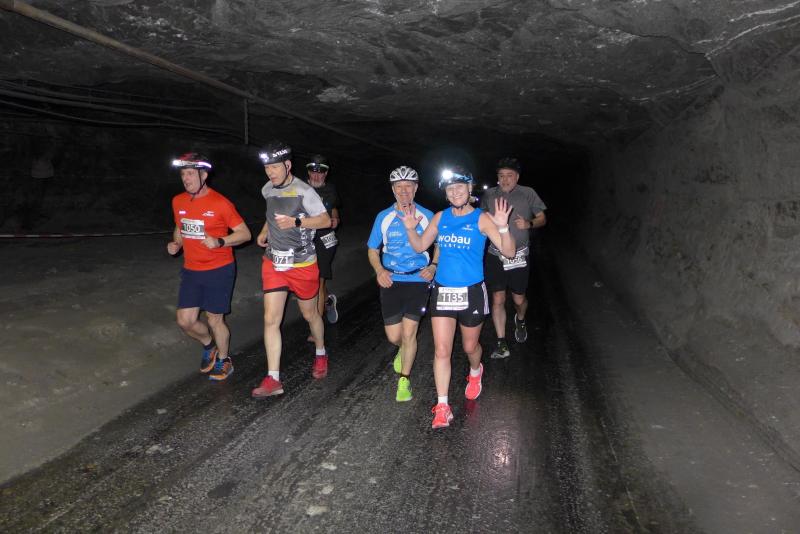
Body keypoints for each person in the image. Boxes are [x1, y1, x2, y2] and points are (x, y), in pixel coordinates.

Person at [400, 168, 515, 428]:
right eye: (450, 189)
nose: (455, 192)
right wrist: (410, 229)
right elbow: (420, 246)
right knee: (442, 350)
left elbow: (508, 252)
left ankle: (475, 371)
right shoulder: (440, 217)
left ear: (469, 188)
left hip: (472, 292)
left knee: (469, 347)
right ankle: (442, 406)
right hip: (443, 291)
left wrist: (503, 226)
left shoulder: (481, 218)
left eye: (459, 187)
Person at [251, 141, 332, 398]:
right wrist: (264, 232)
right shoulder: (267, 189)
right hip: (274, 262)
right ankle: (273, 378)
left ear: (287, 165)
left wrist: (297, 222)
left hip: (302, 264)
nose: (270, 173)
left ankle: (321, 352)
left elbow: (325, 220)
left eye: (275, 167)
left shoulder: (305, 191)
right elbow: (271, 215)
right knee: (270, 319)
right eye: (267, 168)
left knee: (310, 315)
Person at [167, 152, 252, 381]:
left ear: (203, 175)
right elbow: (180, 226)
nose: (186, 179)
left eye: (190, 174)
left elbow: (245, 234)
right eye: (183, 174)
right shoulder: (178, 201)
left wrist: (220, 241)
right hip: (192, 270)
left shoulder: (220, 203)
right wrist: (177, 243)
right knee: (185, 321)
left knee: (215, 319)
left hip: (219, 269)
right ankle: (209, 345)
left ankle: (224, 360)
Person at [367, 166, 439, 402]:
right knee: (394, 337)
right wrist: (379, 271)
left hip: (418, 280)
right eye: (399, 187)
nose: (404, 191)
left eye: (409, 186)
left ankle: (404, 380)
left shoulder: (427, 215)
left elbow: (439, 244)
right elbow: (372, 249)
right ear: (393, 189)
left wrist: (433, 265)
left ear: (416, 188)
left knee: (409, 334)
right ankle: (402, 349)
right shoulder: (384, 217)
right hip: (392, 280)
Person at [481, 157, 547, 358]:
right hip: (496, 255)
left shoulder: (528, 193)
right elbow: (481, 218)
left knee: (519, 299)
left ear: (517, 177)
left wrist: (529, 223)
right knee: (498, 298)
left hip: (519, 256)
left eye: (509, 175)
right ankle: (501, 342)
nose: (505, 179)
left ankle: (520, 318)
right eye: (501, 175)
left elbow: (542, 218)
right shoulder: (489, 194)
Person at [306, 154, 341, 333]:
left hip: (325, 238)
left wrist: (335, 218)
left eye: (321, 172)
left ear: (326, 174)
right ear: (308, 172)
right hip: (304, 237)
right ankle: (328, 300)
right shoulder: (300, 188)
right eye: (313, 172)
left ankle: (316, 329)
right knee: (308, 280)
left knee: (318, 280)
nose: (317, 176)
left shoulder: (331, 189)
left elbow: (332, 208)